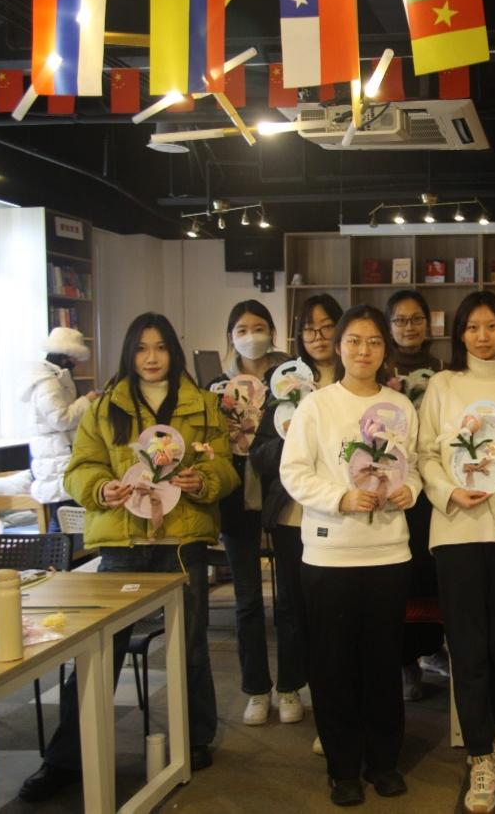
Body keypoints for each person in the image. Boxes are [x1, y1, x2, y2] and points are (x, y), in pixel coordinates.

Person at [18, 312, 238, 802]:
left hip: (181, 542)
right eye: (141, 348)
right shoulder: (104, 407)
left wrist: (203, 480)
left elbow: (224, 469)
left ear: (173, 352)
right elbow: (80, 469)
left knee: (191, 648)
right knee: (99, 651)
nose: (152, 358)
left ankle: (194, 739)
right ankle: (65, 758)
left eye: (160, 347)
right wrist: (101, 488)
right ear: (129, 353)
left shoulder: (203, 404)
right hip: (122, 544)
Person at [279, 304, 421, 807]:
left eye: (374, 342)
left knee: (382, 662)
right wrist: (340, 498)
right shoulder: (316, 406)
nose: (364, 351)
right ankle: (342, 769)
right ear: (338, 347)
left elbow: (413, 465)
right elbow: (294, 472)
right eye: (354, 341)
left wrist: (410, 489)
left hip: (388, 553)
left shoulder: (400, 406)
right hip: (330, 555)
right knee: (333, 665)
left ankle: (383, 762)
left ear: (386, 350)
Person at [417, 291, 495, 814]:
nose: (483, 336)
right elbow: (424, 453)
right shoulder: (442, 385)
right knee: (466, 647)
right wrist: (449, 492)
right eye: (472, 327)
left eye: (492, 326)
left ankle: (489, 741)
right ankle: (479, 757)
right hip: (456, 529)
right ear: (460, 334)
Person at [249, 293, 344, 753]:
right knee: (291, 605)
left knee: (333, 610)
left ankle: (334, 705)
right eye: (309, 328)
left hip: (342, 515)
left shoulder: (356, 379)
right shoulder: (285, 384)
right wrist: (292, 443)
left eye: (327, 326)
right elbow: (260, 452)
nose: (318, 336)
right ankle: (289, 685)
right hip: (292, 514)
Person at [209, 300, 298, 726]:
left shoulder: (292, 382)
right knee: (246, 600)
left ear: (272, 332)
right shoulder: (215, 388)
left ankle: (291, 684)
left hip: (283, 492)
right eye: (242, 329)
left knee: (290, 598)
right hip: (235, 497)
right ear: (230, 336)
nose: (251, 336)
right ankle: (257, 689)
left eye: (259, 327)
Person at [385, 289, 448, 701]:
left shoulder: (443, 370)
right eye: (400, 320)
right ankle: (405, 661)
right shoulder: (380, 369)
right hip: (394, 485)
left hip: (434, 484)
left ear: (428, 323)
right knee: (400, 574)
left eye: (416, 319)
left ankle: (431, 647)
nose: (408, 327)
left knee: (431, 570)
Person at [20, 326, 100, 532]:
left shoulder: (52, 377)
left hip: (57, 453)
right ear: (66, 357)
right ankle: (56, 553)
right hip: (56, 455)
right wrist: (87, 400)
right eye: (75, 359)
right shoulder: (48, 383)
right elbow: (61, 419)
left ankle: (60, 552)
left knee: (64, 517)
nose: (76, 364)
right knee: (63, 517)